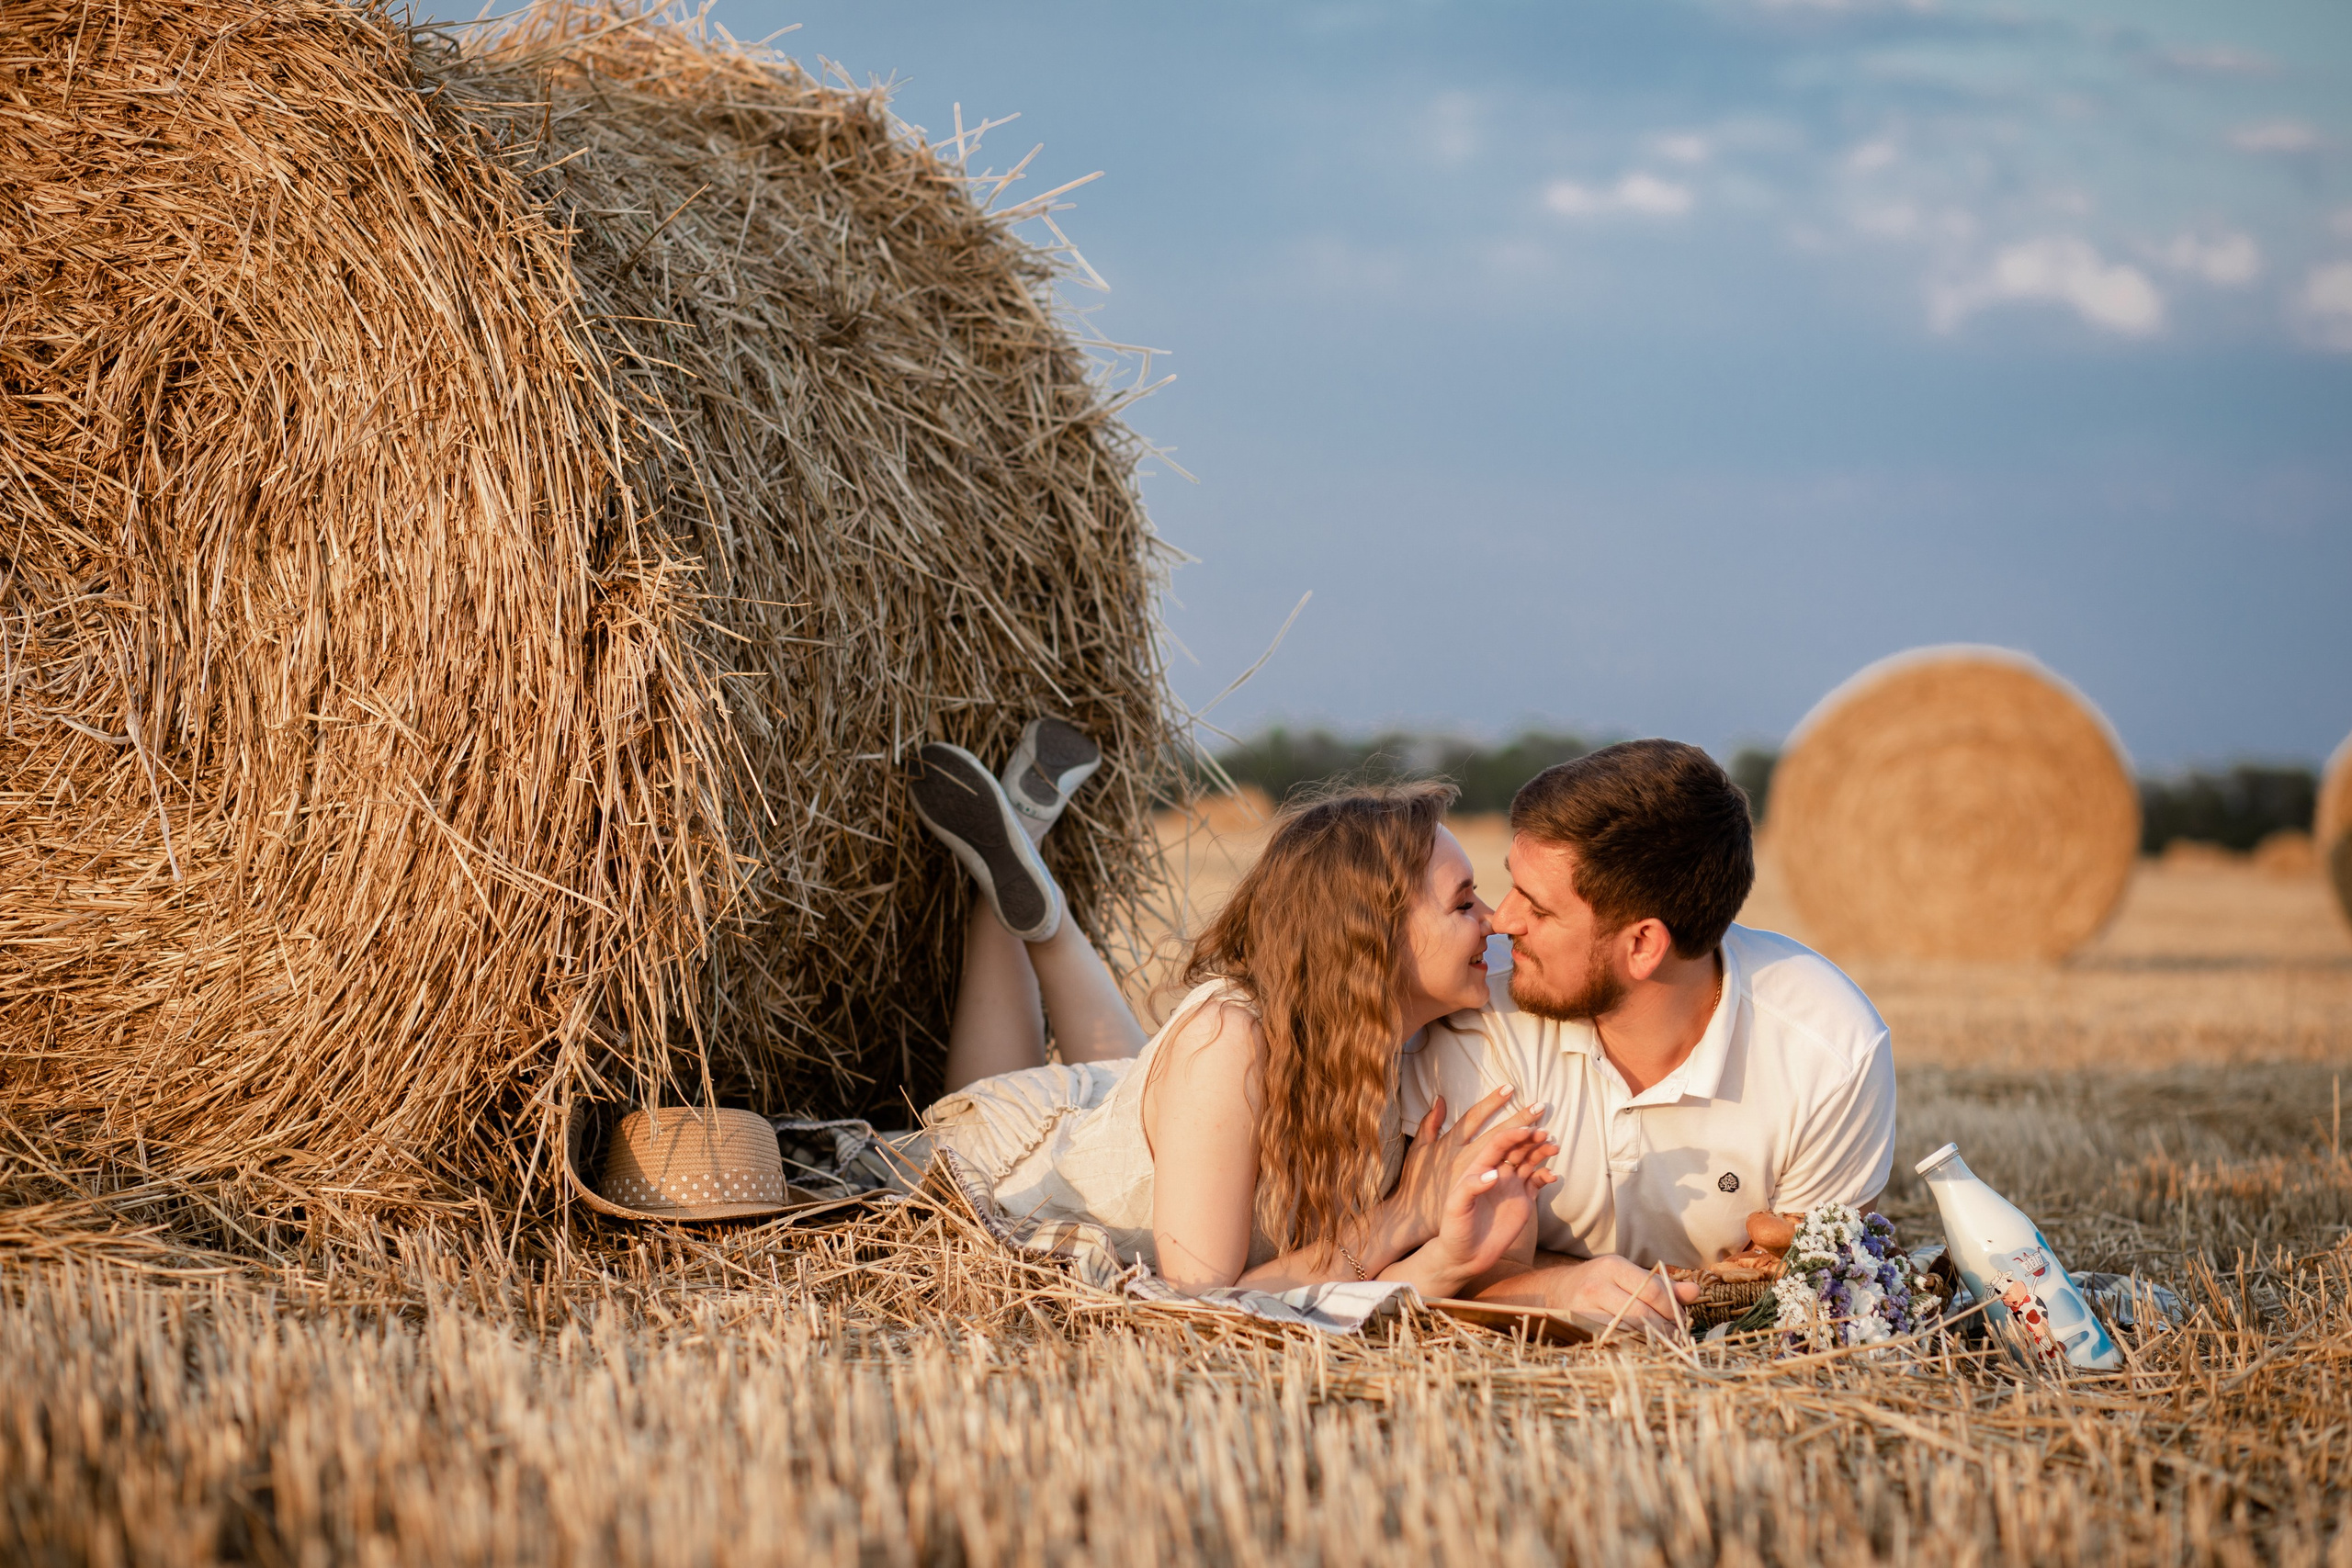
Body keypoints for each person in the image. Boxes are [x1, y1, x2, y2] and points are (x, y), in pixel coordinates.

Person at [908, 722, 1558, 1297]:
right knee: (982, 1170)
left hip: (1130, 1102)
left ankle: (1029, 878)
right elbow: (1200, 1296)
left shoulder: (1405, 1039)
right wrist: (1405, 1215)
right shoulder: (1231, 1043)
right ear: (1374, 935)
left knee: (1134, 1072)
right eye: (1463, 901)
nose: (1497, 918)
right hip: (1013, 1154)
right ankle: (1020, 889)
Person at [1401, 739, 1898, 1333]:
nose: (1501, 921)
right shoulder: (1477, 1017)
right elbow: (1452, 1262)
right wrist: (1554, 1286)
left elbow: (1802, 1286)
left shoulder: (1830, 1052)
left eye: (1537, 906)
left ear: (1642, 945)